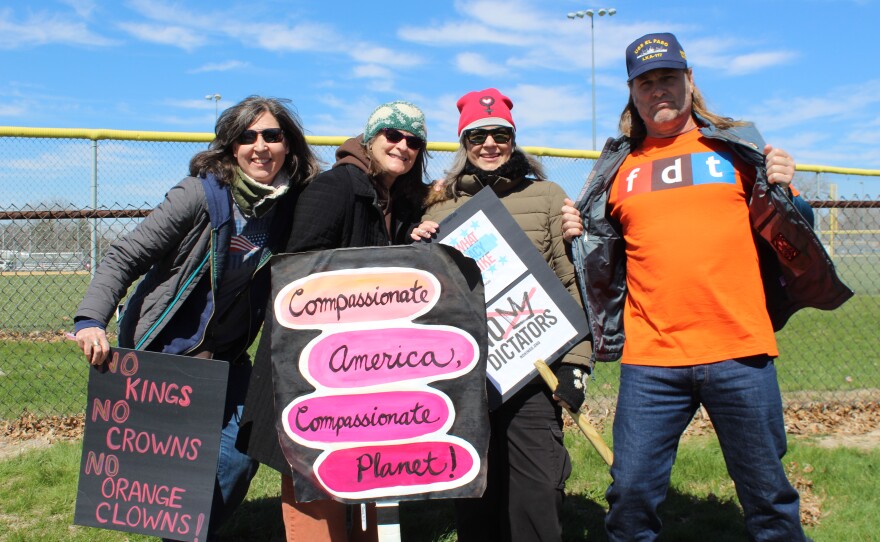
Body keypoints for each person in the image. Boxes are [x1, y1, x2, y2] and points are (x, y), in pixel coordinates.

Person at [561, 33, 852, 541]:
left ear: (690, 81)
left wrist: (788, 184)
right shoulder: (617, 170)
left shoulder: (738, 150)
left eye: (668, 78)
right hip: (652, 360)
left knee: (768, 497)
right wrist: (577, 235)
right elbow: (600, 256)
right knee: (629, 496)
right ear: (633, 92)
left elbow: (793, 227)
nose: (659, 91)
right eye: (646, 82)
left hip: (740, 349)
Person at [73, 96, 320, 540]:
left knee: (242, 452)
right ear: (230, 147)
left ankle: (189, 530)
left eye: (272, 135)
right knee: (172, 475)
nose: (260, 146)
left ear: (288, 144)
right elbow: (125, 256)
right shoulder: (199, 196)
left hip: (228, 355)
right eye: (247, 136)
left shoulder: (290, 204)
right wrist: (91, 319)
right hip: (167, 354)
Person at [238, 100, 430, 542]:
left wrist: (409, 234)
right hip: (311, 365)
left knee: (359, 472)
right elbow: (297, 273)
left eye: (414, 141)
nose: (402, 146)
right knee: (314, 480)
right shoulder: (337, 187)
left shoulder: (391, 197)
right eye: (393, 135)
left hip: (359, 367)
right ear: (371, 137)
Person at [412, 88, 592, 542]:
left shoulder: (548, 195)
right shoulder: (438, 204)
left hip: (533, 371)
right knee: (476, 494)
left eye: (499, 135)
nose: (489, 144)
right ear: (464, 143)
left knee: (539, 491)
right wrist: (420, 244)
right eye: (477, 136)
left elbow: (570, 282)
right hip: (467, 377)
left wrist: (575, 365)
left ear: (513, 140)